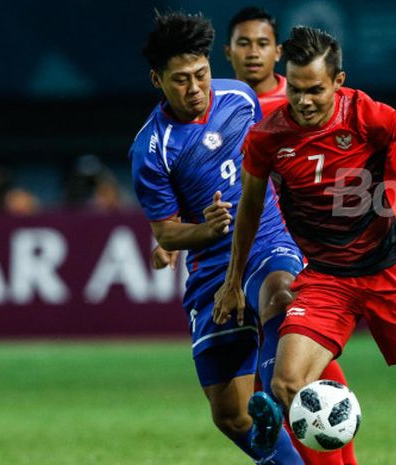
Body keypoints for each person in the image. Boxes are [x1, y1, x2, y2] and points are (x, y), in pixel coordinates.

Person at [214, 26, 396, 465]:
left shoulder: (363, 113)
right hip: (326, 277)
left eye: (315, 90)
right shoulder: (267, 139)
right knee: (285, 384)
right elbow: (249, 211)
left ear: (338, 82)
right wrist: (233, 280)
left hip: (390, 268)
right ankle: (283, 425)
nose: (303, 101)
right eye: (295, 90)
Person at [130, 12, 307, 464]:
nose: (195, 89)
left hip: (265, 238)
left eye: (201, 74)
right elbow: (166, 230)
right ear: (158, 80)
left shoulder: (241, 97)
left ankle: (275, 401)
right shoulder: (153, 149)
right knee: (229, 414)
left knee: (279, 297)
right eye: (181, 80)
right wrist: (204, 230)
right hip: (210, 267)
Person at [224, 8, 356, 465]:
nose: (253, 53)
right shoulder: (220, 108)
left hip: (297, 242)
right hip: (236, 242)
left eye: (262, 44)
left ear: (277, 52)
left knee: (287, 326)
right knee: (272, 361)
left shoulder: (302, 102)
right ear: (228, 53)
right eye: (244, 44)